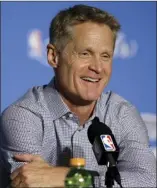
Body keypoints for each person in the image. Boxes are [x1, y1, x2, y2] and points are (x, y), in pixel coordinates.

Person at [0, 4, 156, 188]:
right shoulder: (23, 116)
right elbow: (31, 182)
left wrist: (68, 178)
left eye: (105, 56)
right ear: (53, 56)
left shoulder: (122, 113)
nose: (98, 68)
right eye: (85, 53)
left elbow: (147, 180)